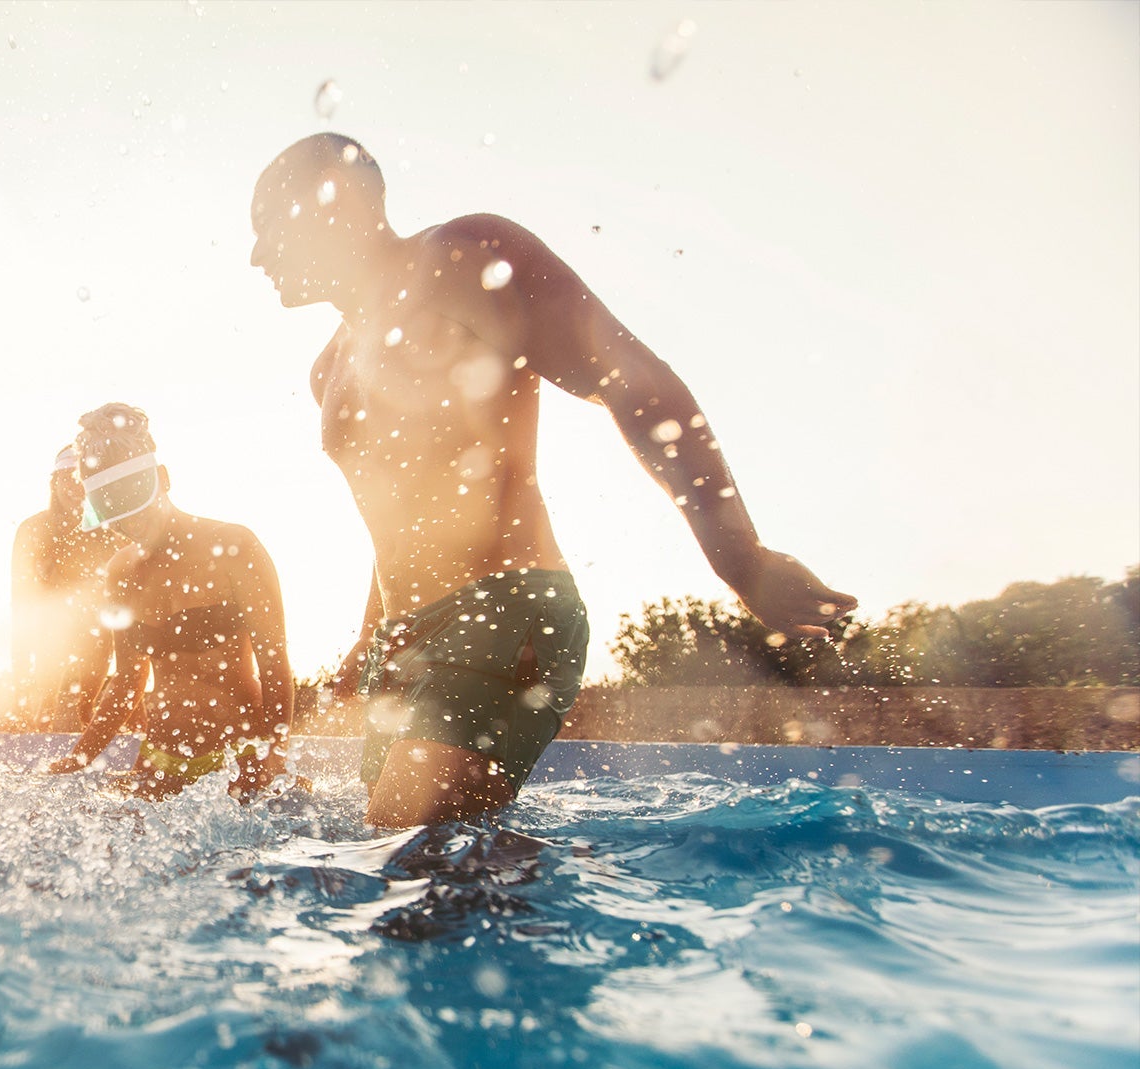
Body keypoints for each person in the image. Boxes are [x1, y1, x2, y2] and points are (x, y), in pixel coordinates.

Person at [248, 134, 856, 827]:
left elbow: (634, 382)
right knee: (434, 870)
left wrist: (740, 558)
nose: (257, 254)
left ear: (340, 196)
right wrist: (373, 635)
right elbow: (401, 508)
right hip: (409, 642)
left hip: (505, 610)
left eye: (268, 223)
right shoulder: (328, 369)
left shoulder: (460, 257)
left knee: (404, 860)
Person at [44, 403, 294, 799]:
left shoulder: (234, 546)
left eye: (134, 501)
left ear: (162, 478)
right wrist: (79, 758)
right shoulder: (120, 572)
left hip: (240, 753)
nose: (128, 523)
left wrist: (275, 752)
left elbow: (274, 660)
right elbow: (128, 681)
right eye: (113, 510)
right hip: (160, 757)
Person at [9, 444, 124, 729]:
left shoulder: (114, 532)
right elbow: (20, 606)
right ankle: (44, 715)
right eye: (68, 479)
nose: (76, 488)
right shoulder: (33, 530)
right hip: (48, 635)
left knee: (91, 708)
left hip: (100, 635)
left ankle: (91, 713)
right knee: (42, 710)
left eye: (85, 480)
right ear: (54, 483)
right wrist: (21, 685)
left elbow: (131, 608)